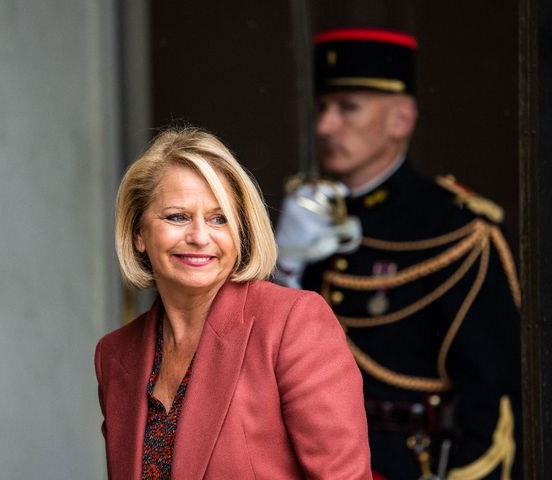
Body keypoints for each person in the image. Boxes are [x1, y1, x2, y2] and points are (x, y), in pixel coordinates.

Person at [275, 28, 522, 480]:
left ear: (400, 120)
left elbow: (493, 392)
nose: (325, 126)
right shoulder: (309, 220)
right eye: (324, 108)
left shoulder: (454, 228)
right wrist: (283, 268)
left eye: (348, 108)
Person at [95, 126, 372, 479]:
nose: (199, 236)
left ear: (239, 232)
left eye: (219, 219)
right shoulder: (115, 354)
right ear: (139, 234)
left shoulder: (292, 323)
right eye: (177, 216)